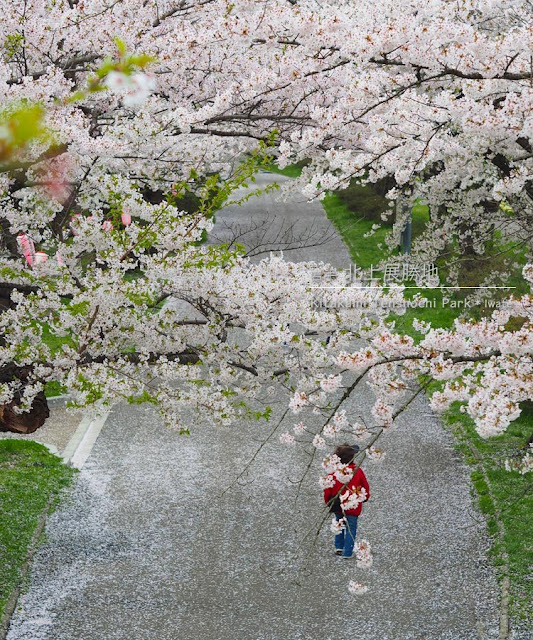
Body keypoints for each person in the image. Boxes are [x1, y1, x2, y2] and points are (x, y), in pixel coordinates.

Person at [323, 443, 370, 558]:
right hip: (353, 506)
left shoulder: (334, 472)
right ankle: (347, 551)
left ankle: (339, 546)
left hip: (338, 505)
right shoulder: (357, 471)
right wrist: (365, 497)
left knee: (339, 524)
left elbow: (328, 488)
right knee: (351, 528)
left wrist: (328, 501)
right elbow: (365, 486)